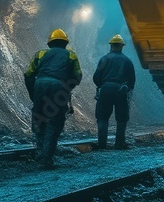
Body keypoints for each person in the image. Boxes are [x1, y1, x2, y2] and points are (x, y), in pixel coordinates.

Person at [23, 28, 83, 169]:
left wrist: (33, 93)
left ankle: (40, 152)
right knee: (54, 122)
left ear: (50, 43)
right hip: (59, 87)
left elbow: (28, 74)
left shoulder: (41, 53)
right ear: (65, 43)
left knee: (39, 118)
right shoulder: (71, 55)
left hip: (40, 84)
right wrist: (66, 89)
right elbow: (78, 76)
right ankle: (46, 159)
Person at [93, 34, 137, 150]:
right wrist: (127, 88)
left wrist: (101, 86)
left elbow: (96, 77)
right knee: (121, 118)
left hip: (106, 89)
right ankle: (119, 144)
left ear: (111, 46)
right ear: (122, 46)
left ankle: (101, 145)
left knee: (102, 117)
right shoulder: (127, 61)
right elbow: (132, 80)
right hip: (120, 90)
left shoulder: (104, 59)